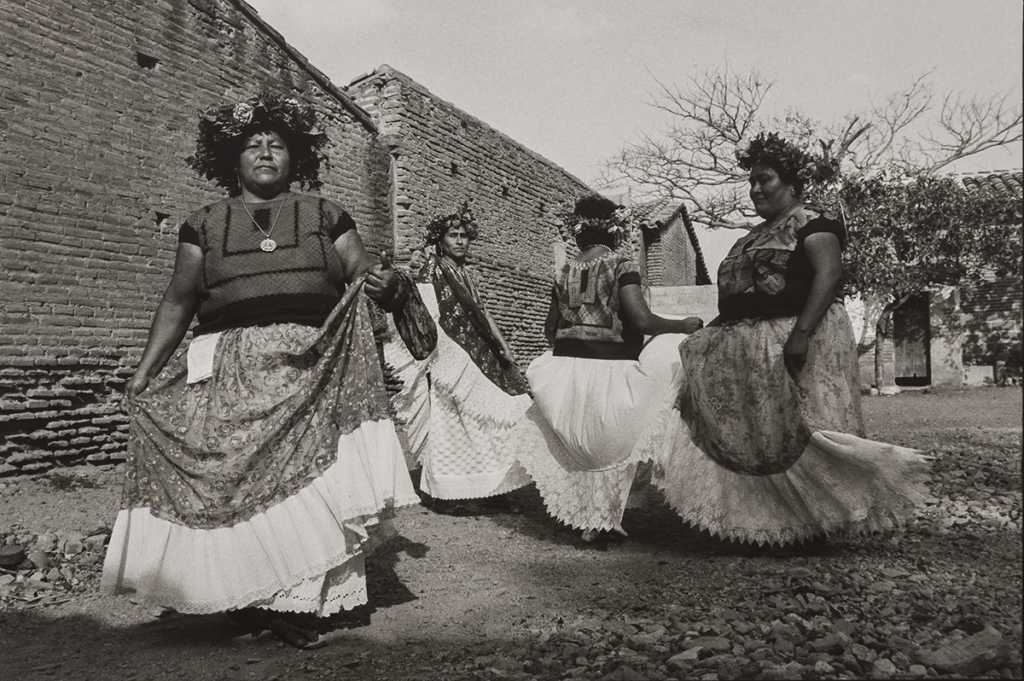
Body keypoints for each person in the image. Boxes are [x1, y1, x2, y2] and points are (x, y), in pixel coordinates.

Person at [101, 91, 431, 649]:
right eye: (252, 145)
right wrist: (143, 371)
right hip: (227, 369)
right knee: (237, 481)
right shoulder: (203, 224)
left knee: (308, 482)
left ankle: (297, 599)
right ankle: (250, 591)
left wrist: (388, 283)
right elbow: (179, 302)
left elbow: (364, 269)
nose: (264, 152)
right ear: (233, 160)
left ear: (293, 158)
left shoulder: (326, 214)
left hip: (314, 366)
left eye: (276, 144)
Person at [635, 132, 930, 550]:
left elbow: (828, 276)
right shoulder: (748, 238)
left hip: (798, 335)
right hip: (750, 345)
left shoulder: (812, 221)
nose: (756, 189)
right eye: (752, 181)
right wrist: (708, 336)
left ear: (791, 184)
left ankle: (816, 523)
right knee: (759, 436)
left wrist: (801, 335)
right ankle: (766, 521)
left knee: (804, 431)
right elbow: (738, 301)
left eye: (766, 180)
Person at [510, 194, 704, 543]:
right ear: (615, 230)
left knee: (585, 449)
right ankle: (600, 520)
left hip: (566, 373)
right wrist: (682, 325)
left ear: (577, 231)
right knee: (612, 444)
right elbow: (642, 320)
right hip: (611, 370)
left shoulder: (564, 271)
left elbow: (550, 332)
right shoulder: (621, 264)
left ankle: (592, 518)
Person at [385, 203, 532, 513]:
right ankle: (446, 494)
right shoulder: (432, 269)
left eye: (465, 235)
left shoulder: (464, 272)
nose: (461, 240)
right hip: (450, 358)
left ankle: (491, 486)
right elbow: (427, 315)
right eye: (453, 235)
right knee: (451, 426)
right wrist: (447, 358)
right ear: (440, 240)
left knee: (485, 422)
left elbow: (482, 312)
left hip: (479, 353)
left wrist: (502, 345)